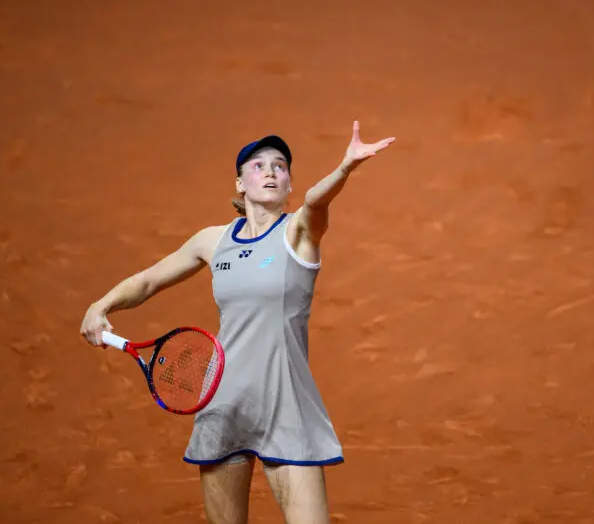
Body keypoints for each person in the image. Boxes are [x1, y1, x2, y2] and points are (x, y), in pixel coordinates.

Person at [80, 121, 395, 524]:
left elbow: (316, 203)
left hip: (285, 403)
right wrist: (101, 304)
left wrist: (345, 168)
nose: (269, 171)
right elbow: (148, 281)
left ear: (288, 185)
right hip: (223, 401)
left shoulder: (299, 233)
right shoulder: (213, 241)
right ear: (240, 183)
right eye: (258, 165)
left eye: (280, 166)